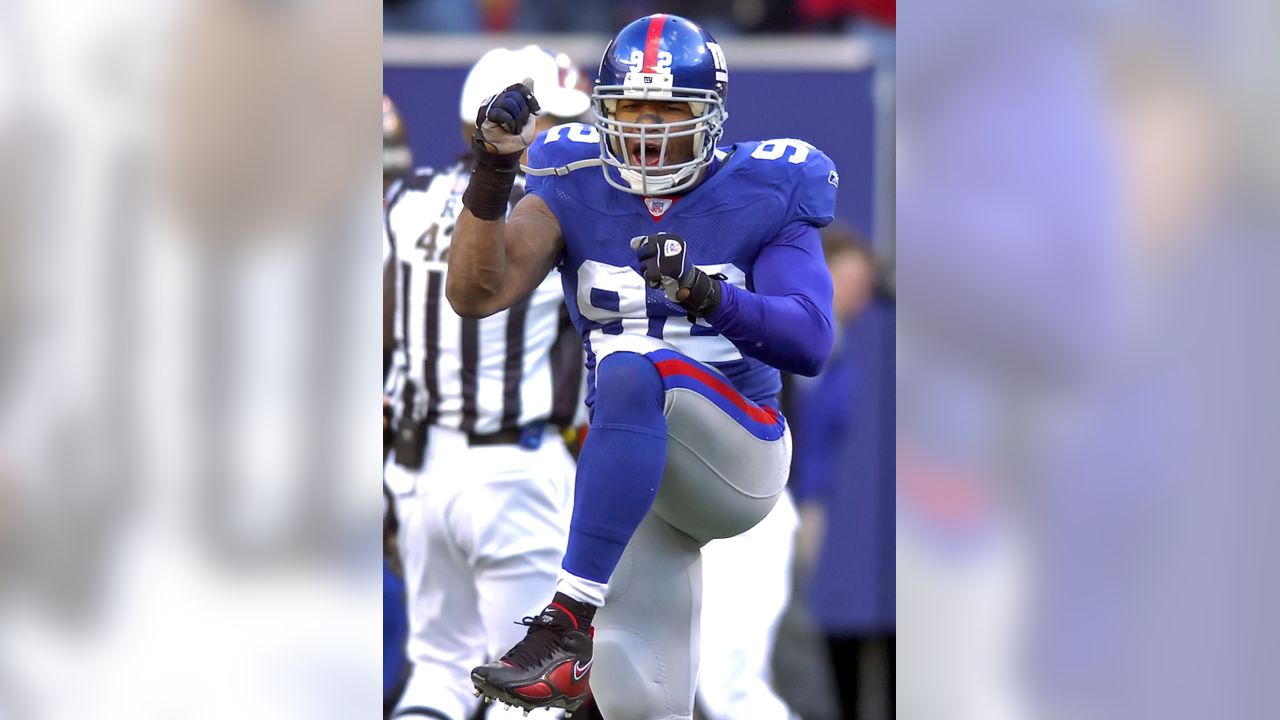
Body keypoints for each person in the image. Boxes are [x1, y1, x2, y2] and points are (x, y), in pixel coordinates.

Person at [448, 14, 839, 719]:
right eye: (631, 109)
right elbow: (476, 293)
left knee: (631, 364)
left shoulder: (768, 184)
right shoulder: (570, 179)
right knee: (640, 698)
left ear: (711, 119)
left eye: (668, 112)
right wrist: (495, 168)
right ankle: (582, 640)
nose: (647, 130)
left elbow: (811, 339)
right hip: (635, 475)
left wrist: (705, 293)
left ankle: (565, 624)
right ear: (603, 112)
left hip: (738, 455)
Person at [383, 46, 590, 720]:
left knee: (437, 670)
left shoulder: (402, 199)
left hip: (420, 468)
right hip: (514, 468)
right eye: (553, 121)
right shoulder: (551, 210)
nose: (570, 138)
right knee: (530, 689)